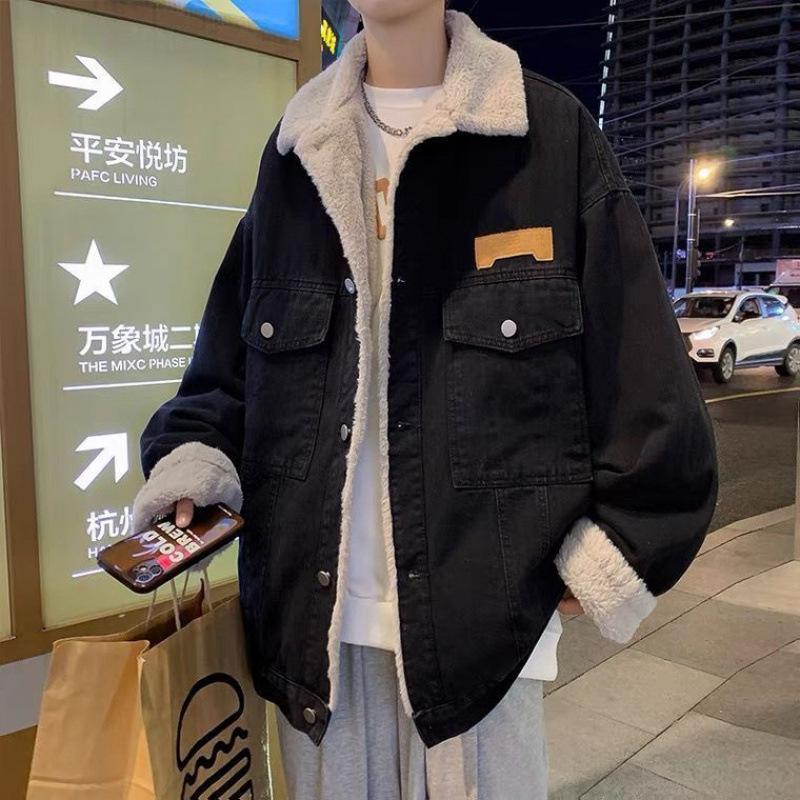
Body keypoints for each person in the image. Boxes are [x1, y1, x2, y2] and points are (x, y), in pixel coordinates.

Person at [132, 3, 719, 798]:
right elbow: (226, 369)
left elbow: (650, 391)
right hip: (315, 643)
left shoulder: (545, 138)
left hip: (485, 643)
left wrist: (603, 561)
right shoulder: (299, 150)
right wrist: (195, 470)